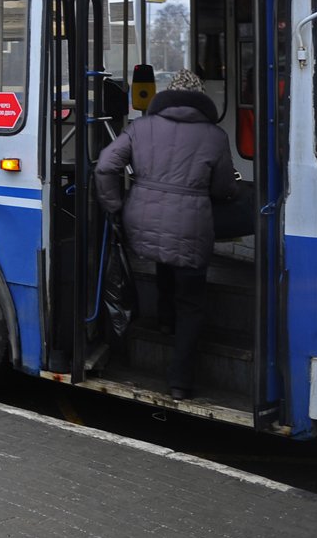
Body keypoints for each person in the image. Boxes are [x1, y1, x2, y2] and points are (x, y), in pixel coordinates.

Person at [95, 68, 236, 401]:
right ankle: (180, 382)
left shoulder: (140, 127)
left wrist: (114, 205)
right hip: (190, 226)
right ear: (202, 100)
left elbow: (105, 166)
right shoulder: (215, 136)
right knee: (191, 301)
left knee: (163, 252)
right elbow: (225, 187)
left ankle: (163, 321)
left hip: (141, 221)